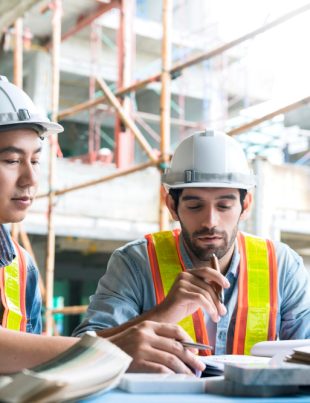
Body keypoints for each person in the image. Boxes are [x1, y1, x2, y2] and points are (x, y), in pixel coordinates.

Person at [0, 76, 205, 376]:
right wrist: (117, 351)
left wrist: (140, 334)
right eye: (11, 160)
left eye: (35, 160)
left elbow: (38, 364)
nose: (30, 179)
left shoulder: (21, 266)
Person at [73, 129, 310, 355]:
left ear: (245, 205)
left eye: (224, 206)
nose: (210, 221)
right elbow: (79, 351)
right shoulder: (136, 262)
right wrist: (161, 314)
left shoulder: (280, 265)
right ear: (172, 206)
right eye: (195, 206)